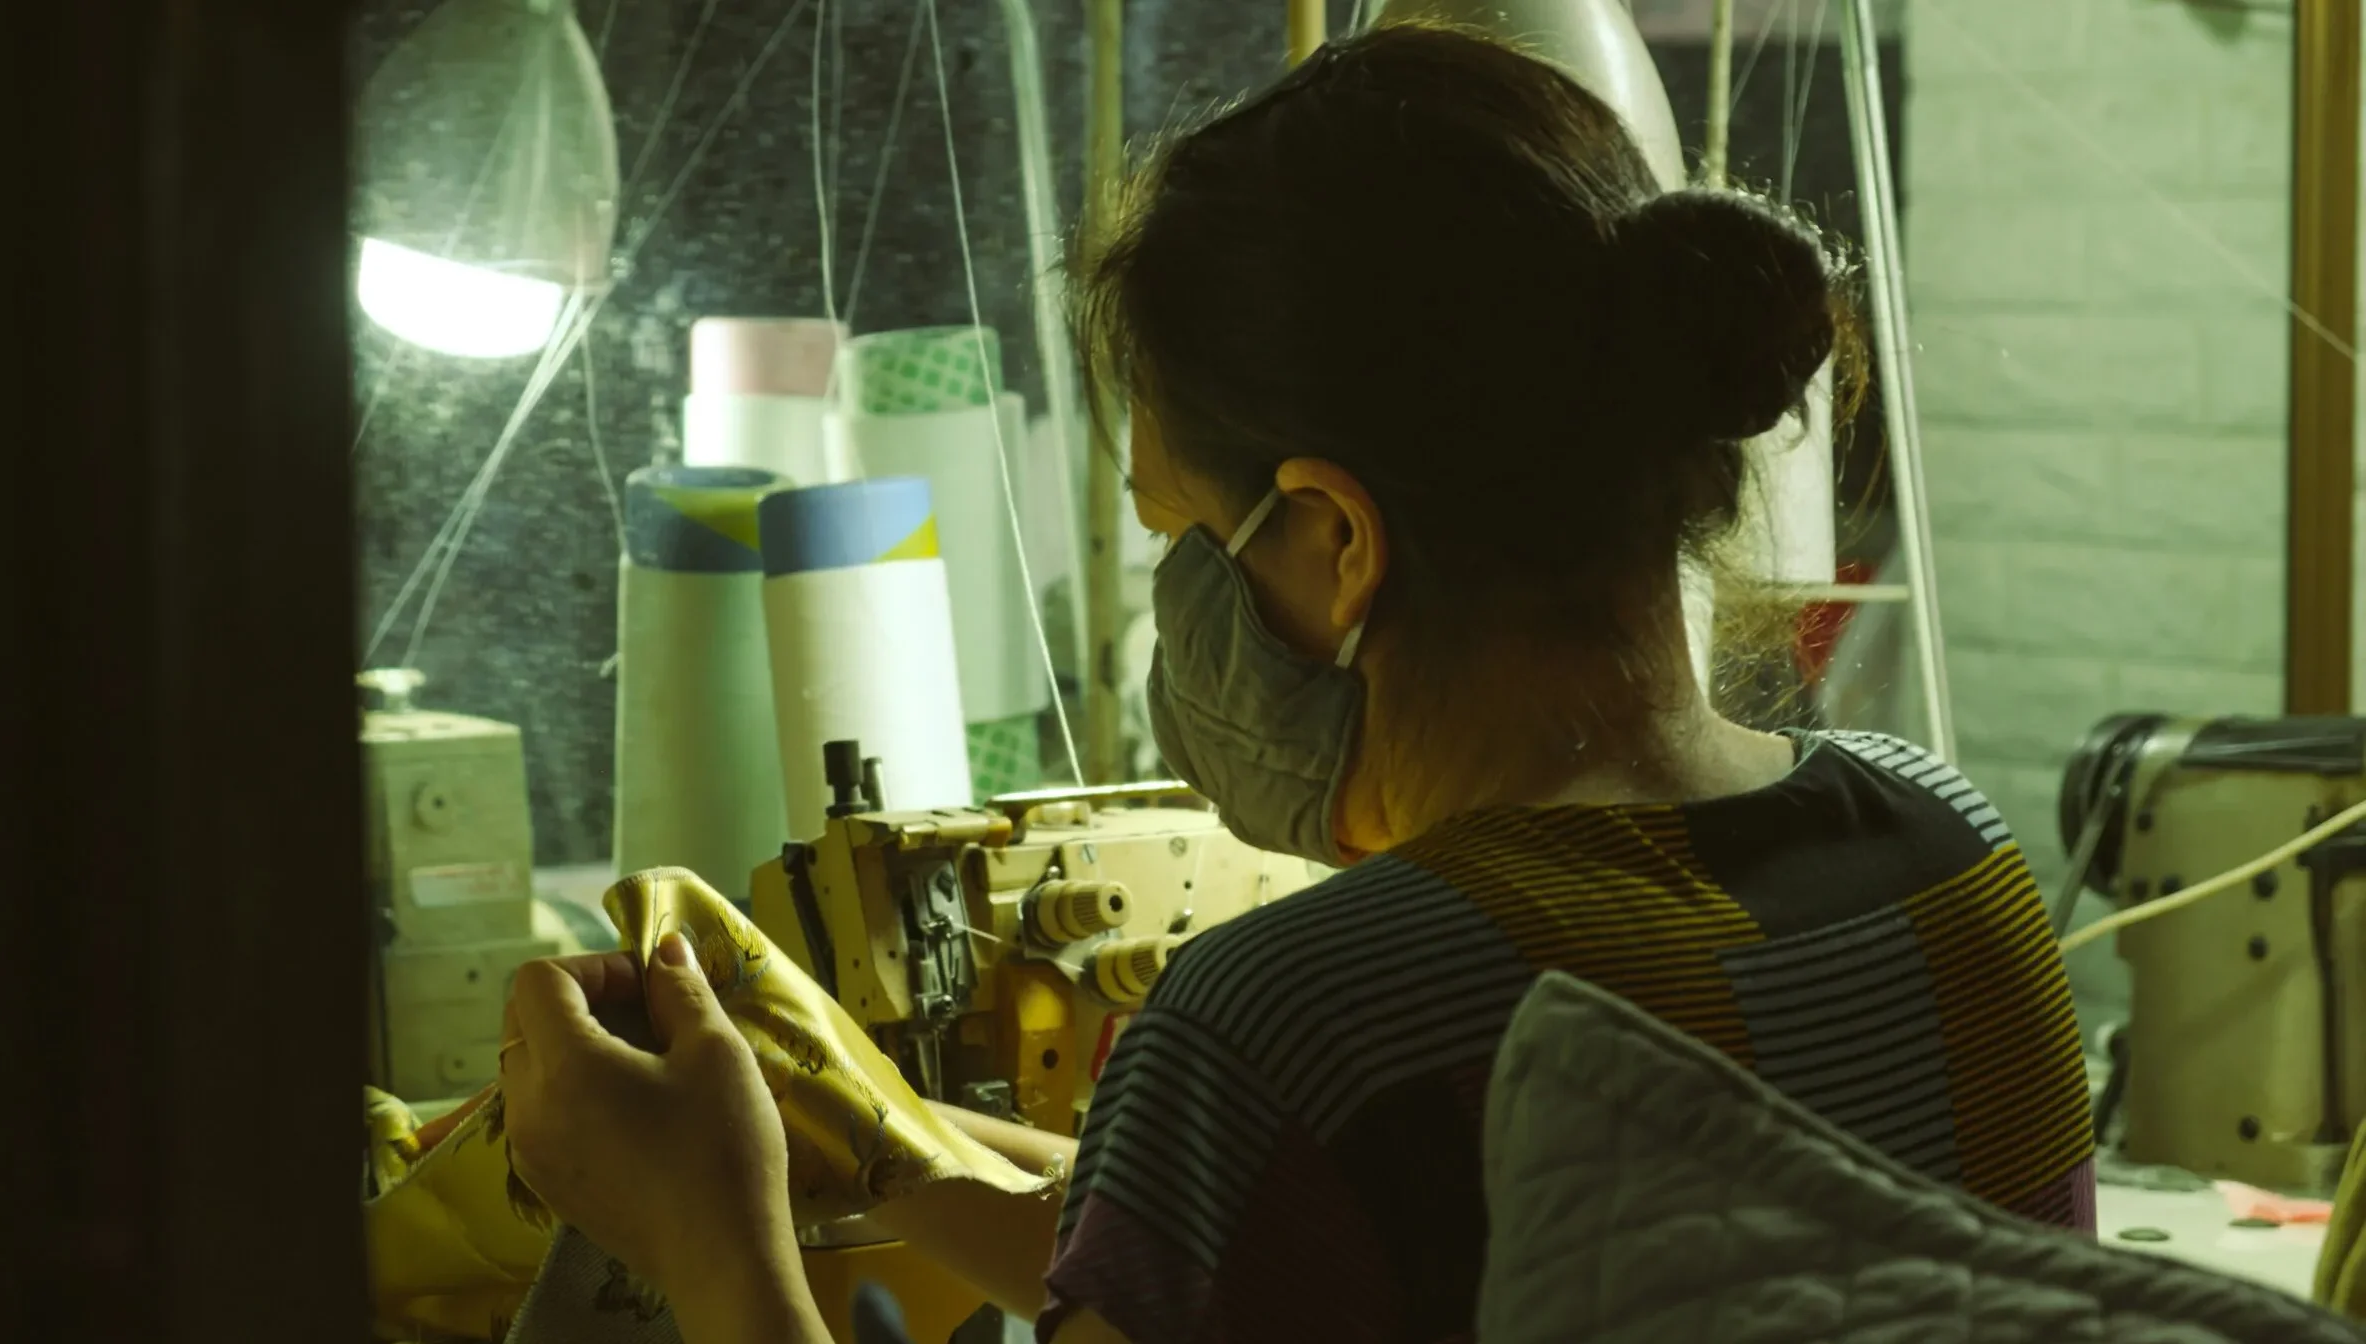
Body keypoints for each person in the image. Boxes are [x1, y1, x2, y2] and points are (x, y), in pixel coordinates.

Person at [495, 21, 2097, 1344]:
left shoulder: (1301, 1027)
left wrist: (705, 1234)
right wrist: (879, 1150)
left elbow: (1305, 1176)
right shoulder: (1947, 856)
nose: (1176, 612)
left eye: (1179, 535)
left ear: (1334, 540)